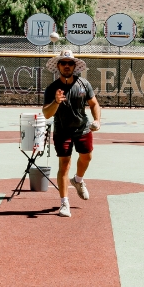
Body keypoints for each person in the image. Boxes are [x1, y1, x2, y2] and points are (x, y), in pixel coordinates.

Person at [42, 49, 101, 218]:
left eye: (70, 63)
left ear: (74, 66)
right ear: (58, 66)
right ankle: (64, 203)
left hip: (82, 128)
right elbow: (47, 114)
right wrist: (56, 101)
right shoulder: (52, 89)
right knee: (64, 164)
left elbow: (94, 104)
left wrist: (97, 120)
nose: (67, 66)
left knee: (87, 158)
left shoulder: (84, 84)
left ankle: (78, 180)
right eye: (63, 63)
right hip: (62, 131)